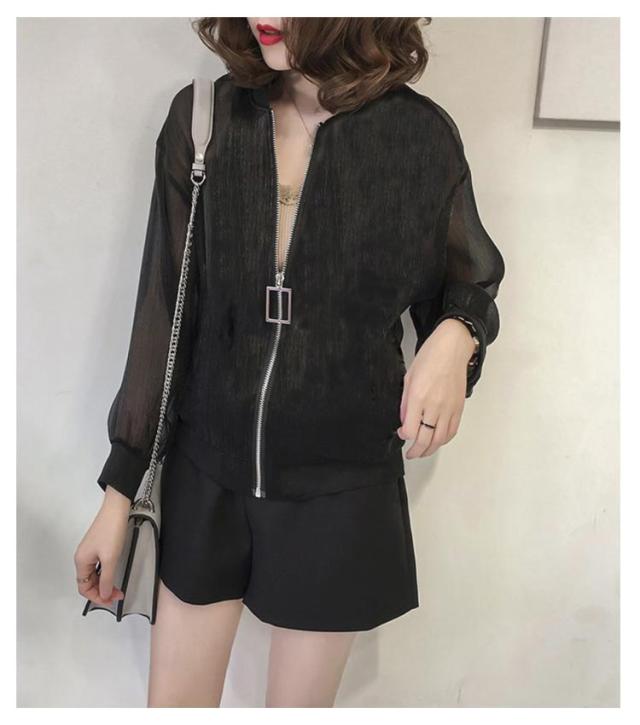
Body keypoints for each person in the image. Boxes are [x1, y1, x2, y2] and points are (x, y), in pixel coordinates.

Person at [74, 17, 506, 707]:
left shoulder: (419, 137)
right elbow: (162, 312)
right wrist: (119, 491)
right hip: (206, 475)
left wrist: (458, 335)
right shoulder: (205, 119)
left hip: (339, 489)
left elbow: (469, 276)